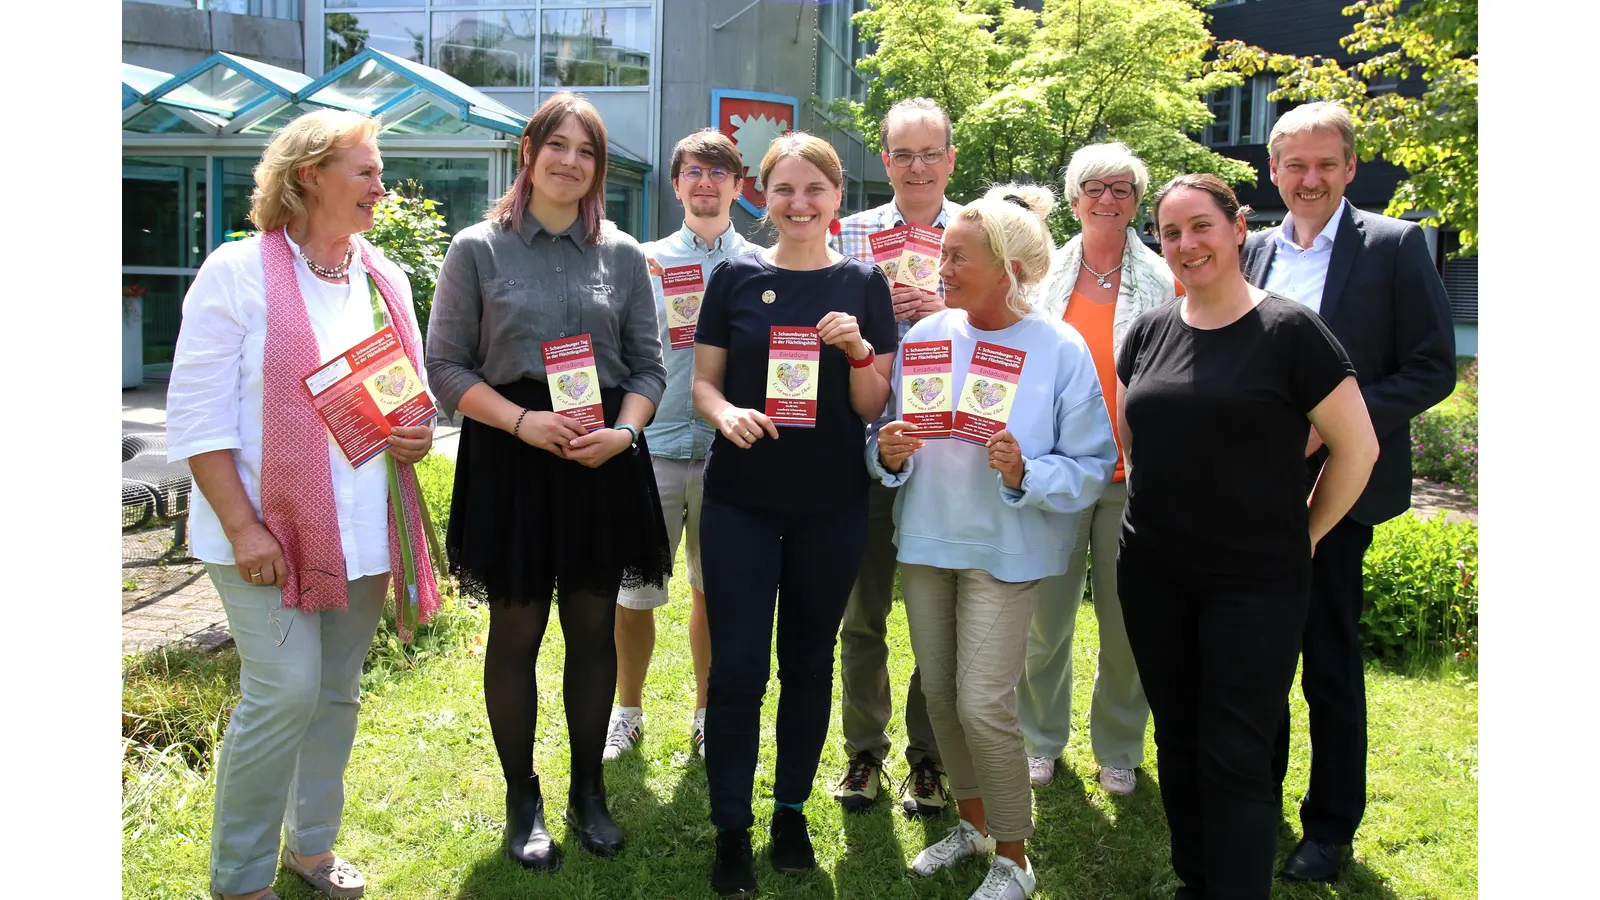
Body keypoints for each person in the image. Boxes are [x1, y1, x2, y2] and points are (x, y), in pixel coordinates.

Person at [166, 109, 441, 900]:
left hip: (364, 531)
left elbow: (409, 396)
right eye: (367, 172)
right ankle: (240, 877)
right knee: (283, 691)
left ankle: (311, 847)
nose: (381, 188)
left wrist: (416, 434)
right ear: (310, 175)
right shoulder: (236, 272)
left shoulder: (383, 277)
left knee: (334, 693)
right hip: (265, 534)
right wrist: (243, 527)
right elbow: (198, 419)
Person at [425, 91, 670, 871]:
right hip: (513, 455)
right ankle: (521, 796)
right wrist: (522, 422)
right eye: (556, 144)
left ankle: (588, 791)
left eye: (586, 150)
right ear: (528, 152)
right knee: (518, 631)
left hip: (600, 457)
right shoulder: (477, 249)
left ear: (599, 167)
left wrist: (624, 433)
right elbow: (445, 368)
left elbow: (649, 367)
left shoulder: (623, 256)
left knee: (593, 630)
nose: (570, 161)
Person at [1118, 173, 1379, 900]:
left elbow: (1357, 449)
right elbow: (1135, 440)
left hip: (1255, 581)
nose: (1186, 244)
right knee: (1177, 735)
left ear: (1238, 229)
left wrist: (1308, 533)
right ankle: (1197, 881)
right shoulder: (1148, 332)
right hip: (1154, 571)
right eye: (1171, 232)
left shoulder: (1291, 333)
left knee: (1235, 750)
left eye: (1201, 226)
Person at [871, 185, 1117, 900]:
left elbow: (1093, 463)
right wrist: (886, 454)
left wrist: (1026, 472)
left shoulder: (1059, 347)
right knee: (942, 698)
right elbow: (889, 439)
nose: (940, 268)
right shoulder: (926, 335)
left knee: (983, 704)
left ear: (1009, 269)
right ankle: (974, 825)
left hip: (1006, 549)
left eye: (957, 257)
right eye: (942, 254)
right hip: (927, 541)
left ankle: (1014, 857)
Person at [1240, 102, 1457, 883]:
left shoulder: (1394, 246)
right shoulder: (1253, 249)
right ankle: (1255, 803)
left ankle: (1329, 829)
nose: (1310, 179)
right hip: (1253, 490)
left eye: (1326, 164)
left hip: (1343, 485)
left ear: (1351, 167)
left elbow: (1431, 368)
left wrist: (1335, 423)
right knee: (1255, 656)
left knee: (1327, 661)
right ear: (1273, 169)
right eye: (1295, 165)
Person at [693, 132, 897, 898]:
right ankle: (731, 832)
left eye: (815, 189)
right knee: (738, 671)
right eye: (785, 188)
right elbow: (704, 384)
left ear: (837, 197)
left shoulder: (864, 282)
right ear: (763, 194)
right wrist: (726, 414)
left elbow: (872, 406)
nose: (800, 203)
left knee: (808, 664)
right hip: (740, 503)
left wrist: (859, 352)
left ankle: (789, 814)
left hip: (830, 507)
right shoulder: (735, 276)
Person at [1021, 142, 1177, 795]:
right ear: (1074, 198)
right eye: (1094, 187)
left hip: (1131, 479)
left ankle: (1118, 746)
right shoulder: (1042, 276)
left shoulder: (1164, 279)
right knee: (1044, 624)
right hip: (1057, 473)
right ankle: (1039, 739)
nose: (1107, 199)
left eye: (1121, 189)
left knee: (1126, 626)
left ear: (1137, 202)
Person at [604, 129, 762, 762]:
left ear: (738, 186)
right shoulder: (641, 260)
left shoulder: (760, 265)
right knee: (634, 590)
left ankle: (705, 713)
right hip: (656, 446)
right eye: (693, 171)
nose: (705, 183)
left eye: (718, 173)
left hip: (730, 452)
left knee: (713, 592)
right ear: (676, 184)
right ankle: (627, 711)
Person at [830, 97, 963, 817]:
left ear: (950, 158)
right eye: (903, 154)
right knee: (864, 616)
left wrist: (946, 307)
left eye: (929, 153)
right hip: (869, 449)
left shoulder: (979, 231)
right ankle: (863, 752)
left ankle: (930, 758)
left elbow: (1012, 323)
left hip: (952, 458)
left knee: (939, 625)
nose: (917, 167)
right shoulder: (847, 233)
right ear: (884, 161)